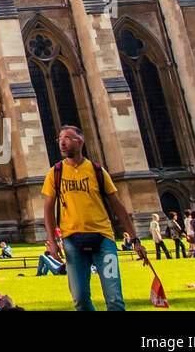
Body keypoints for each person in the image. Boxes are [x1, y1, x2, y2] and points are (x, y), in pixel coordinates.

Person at [41, 124, 147, 311]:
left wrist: (135, 239)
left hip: (103, 239)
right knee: (80, 299)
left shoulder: (97, 171)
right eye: (60, 139)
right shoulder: (55, 173)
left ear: (80, 142)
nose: (62, 143)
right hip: (72, 241)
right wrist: (52, 241)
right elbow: (48, 208)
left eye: (67, 139)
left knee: (114, 298)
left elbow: (119, 207)